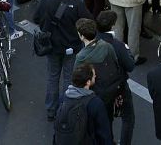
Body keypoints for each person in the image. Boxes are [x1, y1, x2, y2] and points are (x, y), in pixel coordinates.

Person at [34, 0, 93, 121]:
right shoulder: (76, 3)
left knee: (52, 77)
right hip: (71, 48)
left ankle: (51, 110)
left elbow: (36, 18)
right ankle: (66, 108)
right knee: (68, 78)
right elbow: (89, 21)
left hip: (51, 47)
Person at [96, 10, 136, 145]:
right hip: (119, 88)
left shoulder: (92, 42)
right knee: (128, 118)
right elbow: (130, 66)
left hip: (99, 88)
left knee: (106, 119)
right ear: (112, 26)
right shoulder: (118, 46)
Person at [74, 18, 124, 123]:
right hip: (110, 91)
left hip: (93, 96)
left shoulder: (81, 57)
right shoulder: (107, 46)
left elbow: (77, 80)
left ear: (82, 36)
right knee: (108, 121)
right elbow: (116, 64)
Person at [53, 63, 112, 145]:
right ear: (88, 82)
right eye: (94, 75)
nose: (95, 76)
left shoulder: (63, 99)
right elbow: (104, 135)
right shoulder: (95, 103)